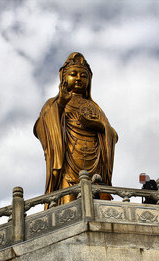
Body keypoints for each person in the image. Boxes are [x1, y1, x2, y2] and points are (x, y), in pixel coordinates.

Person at [34, 52, 118, 205]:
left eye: (83, 76)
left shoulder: (95, 108)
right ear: (64, 78)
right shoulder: (55, 103)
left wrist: (99, 125)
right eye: (73, 74)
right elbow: (42, 126)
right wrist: (60, 104)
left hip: (95, 165)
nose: (79, 78)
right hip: (68, 164)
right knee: (68, 206)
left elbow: (113, 134)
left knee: (96, 204)